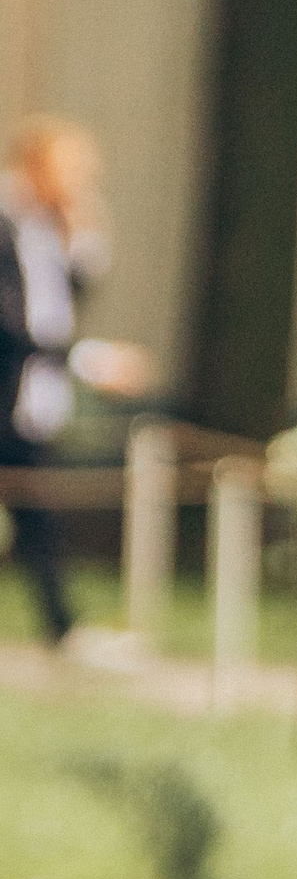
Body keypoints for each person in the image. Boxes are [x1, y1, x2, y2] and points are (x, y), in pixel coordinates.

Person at [0, 117, 112, 645]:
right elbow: (13, 323)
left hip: (31, 400)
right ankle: (61, 625)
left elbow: (68, 300)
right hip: (9, 389)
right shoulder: (7, 221)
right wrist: (87, 360)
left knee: (39, 513)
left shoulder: (47, 228)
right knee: (36, 511)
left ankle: (61, 626)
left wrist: (83, 232)